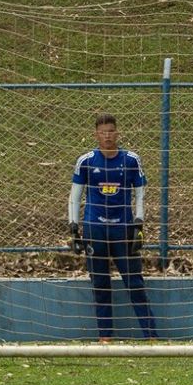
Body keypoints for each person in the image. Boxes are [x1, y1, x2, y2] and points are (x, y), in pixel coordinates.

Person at [68, 113, 158, 341]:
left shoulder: (131, 160)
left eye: (111, 131)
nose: (107, 136)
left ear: (117, 133)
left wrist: (138, 224)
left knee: (134, 283)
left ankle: (151, 337)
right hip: (95, 230)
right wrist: (73, 227)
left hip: (123, 230)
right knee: (100, 285)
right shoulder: (86, 161)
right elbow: (75, 197)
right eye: (103, 132)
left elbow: (139, 196)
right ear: (96, 135)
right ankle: (105, 338)